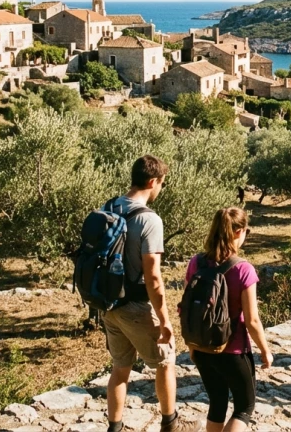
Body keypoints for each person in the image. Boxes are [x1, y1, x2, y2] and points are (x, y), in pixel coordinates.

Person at [101, 156, 200, 432]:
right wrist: (165, 319)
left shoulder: (108, 206)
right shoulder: (149, 220)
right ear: (153, 181)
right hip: (136, 306)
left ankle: (115, 427)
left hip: (109, 305)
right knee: (166, 360)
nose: (160, 190)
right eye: (162, 184)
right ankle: (171, 424)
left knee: (120, 368)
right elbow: (154, 277)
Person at [186, 208, 273, 432]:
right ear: (238, 232)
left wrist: (191, 345)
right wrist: (265, 350)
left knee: (217, 403)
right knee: (244, 408)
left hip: (204, 348)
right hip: (233, 351)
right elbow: (252, 320)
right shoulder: (243, 269)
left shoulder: (196, 263)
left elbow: (186, 310)